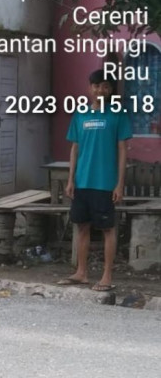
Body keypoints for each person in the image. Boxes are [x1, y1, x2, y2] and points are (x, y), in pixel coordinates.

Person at [57, 69, 133, 292]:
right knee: (81, 226)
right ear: (90, 88)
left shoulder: (117, 114)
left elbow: (122, 150)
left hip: (105, 183)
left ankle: (107, 275)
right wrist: (71, 179)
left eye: (106, 86)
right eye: (97, 85)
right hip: (82, 182)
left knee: (108, 229)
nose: (101, 90)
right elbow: (75, 148)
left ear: (110, 90)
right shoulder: (80, 114)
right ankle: (81, 273)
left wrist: (119, 183)